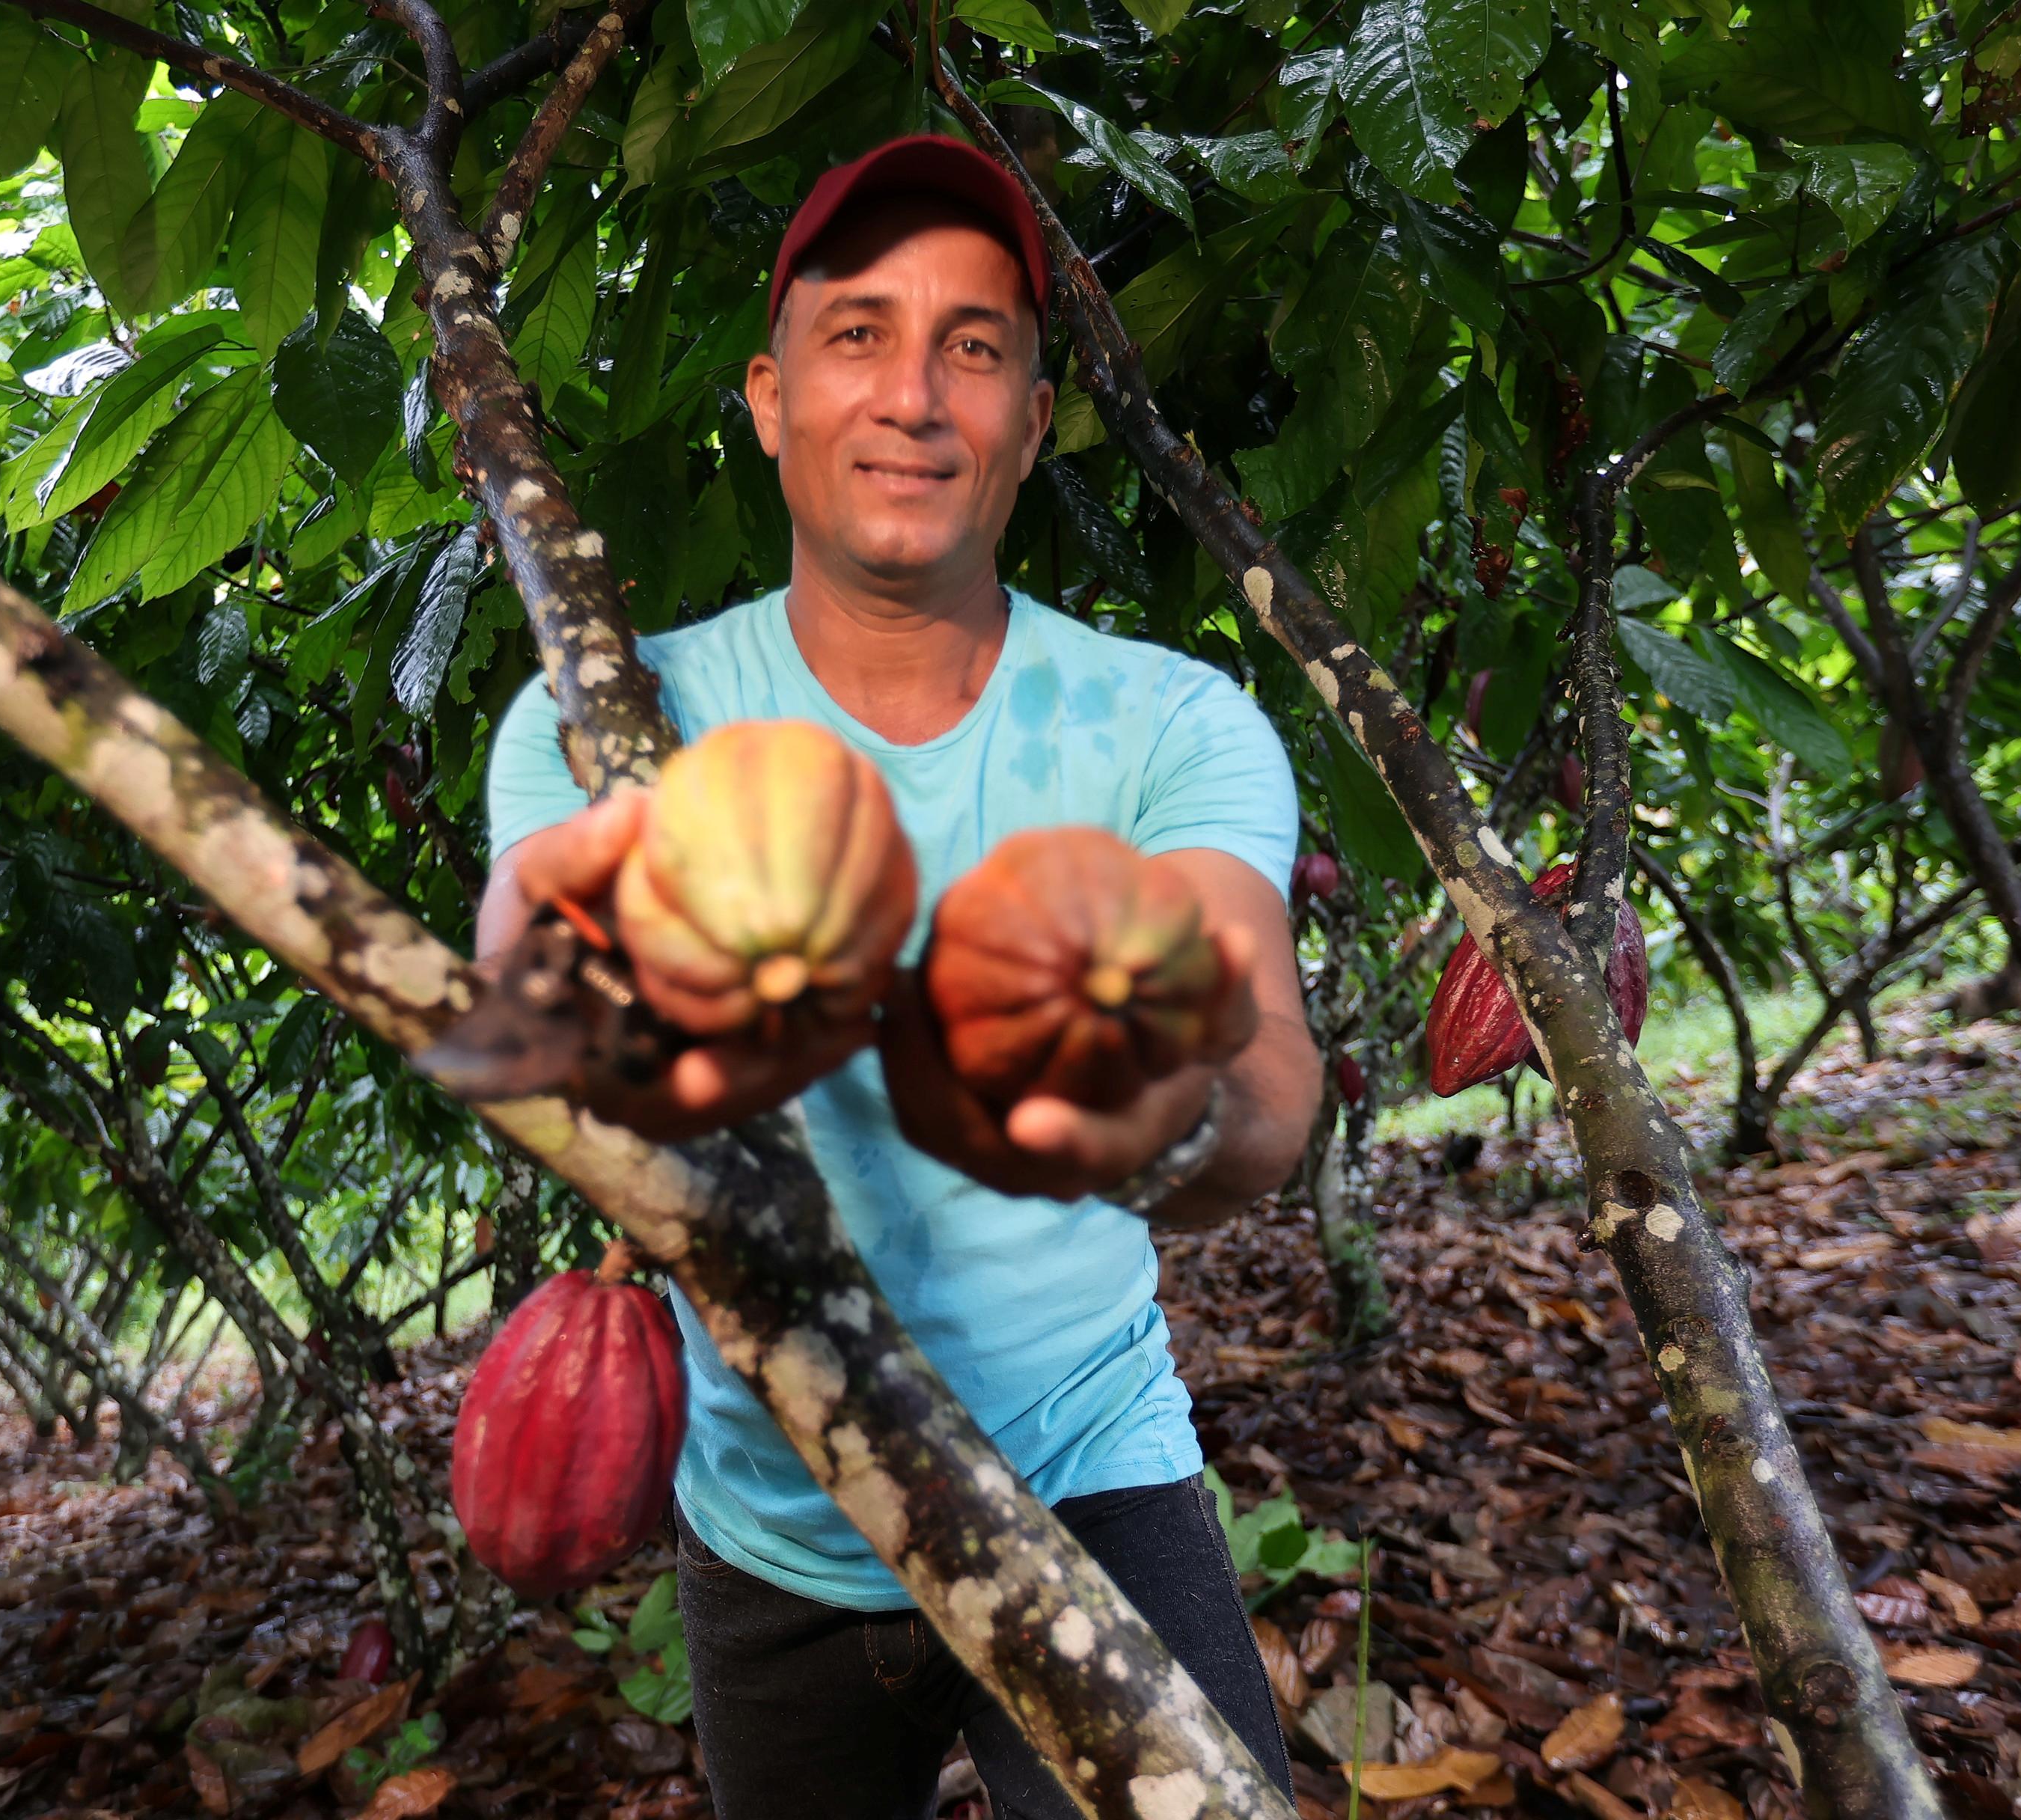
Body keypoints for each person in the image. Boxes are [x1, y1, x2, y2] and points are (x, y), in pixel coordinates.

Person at [477, 134, 1318, 1817]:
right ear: (771, 397)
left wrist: (1156, 1096)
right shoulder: (608, 727)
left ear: (1030, 423)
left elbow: (1267, 1094)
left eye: (976, 345)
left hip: (1088, 1480)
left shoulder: (1168, 724)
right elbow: (544, 1061)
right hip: (775, 1511)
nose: (915, 393)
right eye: (859, 335)